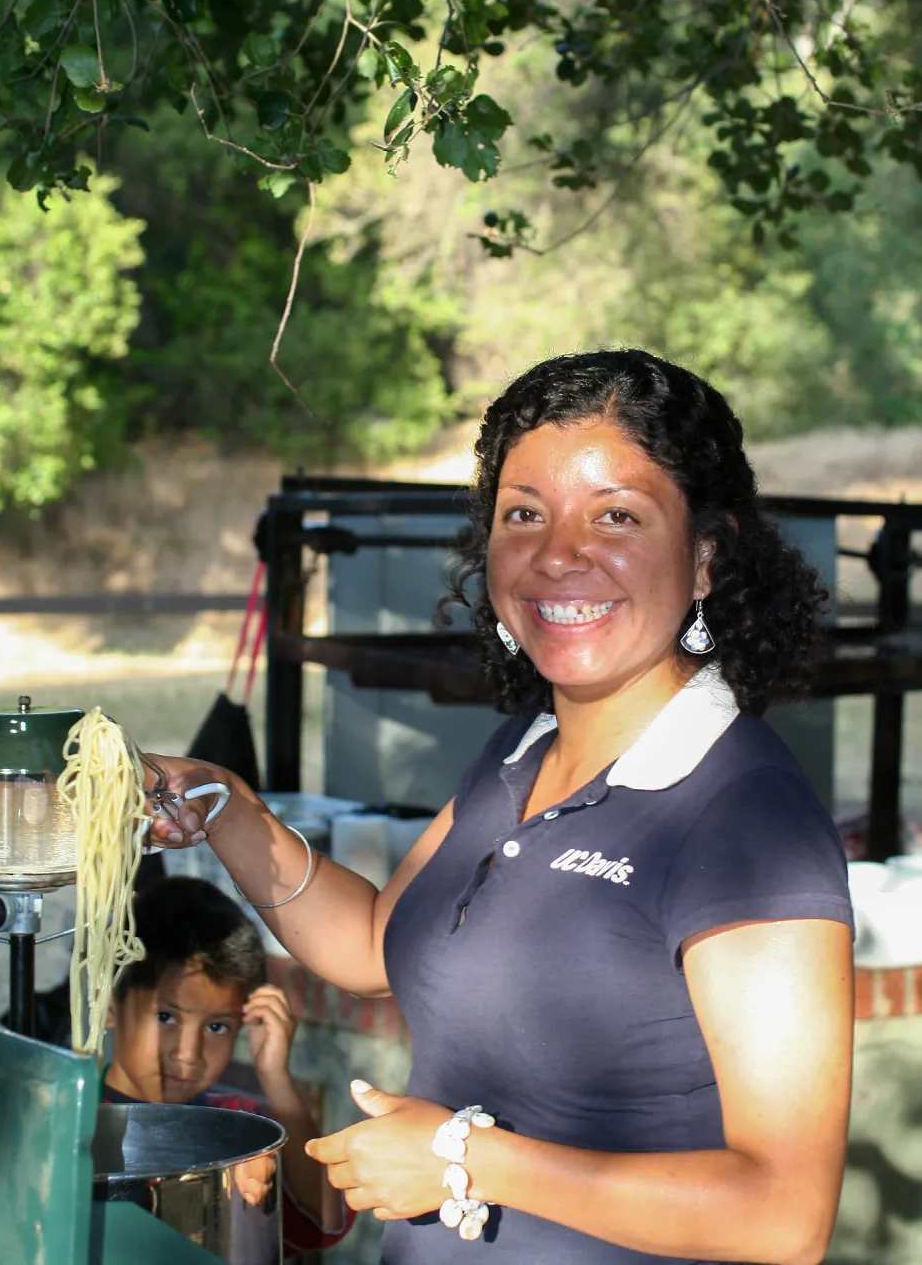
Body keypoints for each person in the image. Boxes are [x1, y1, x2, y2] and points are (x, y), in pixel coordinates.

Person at [146, 349, 855, 1265]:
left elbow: (782, 1215)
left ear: (705, 558)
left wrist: (462, 1159)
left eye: (617, 517)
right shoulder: (523, 751)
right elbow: (371, 947)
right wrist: (229, 808)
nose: (558, 554)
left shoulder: (744, 819)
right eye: (524, 514)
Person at [103, 875, 351, 1254]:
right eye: (166, 1017)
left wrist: (275, 1077)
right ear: (109, 1004)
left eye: (217, 1026)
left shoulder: (236, 1131)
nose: (188, 1053)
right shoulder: (73, 1121)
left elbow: (325, 1222)